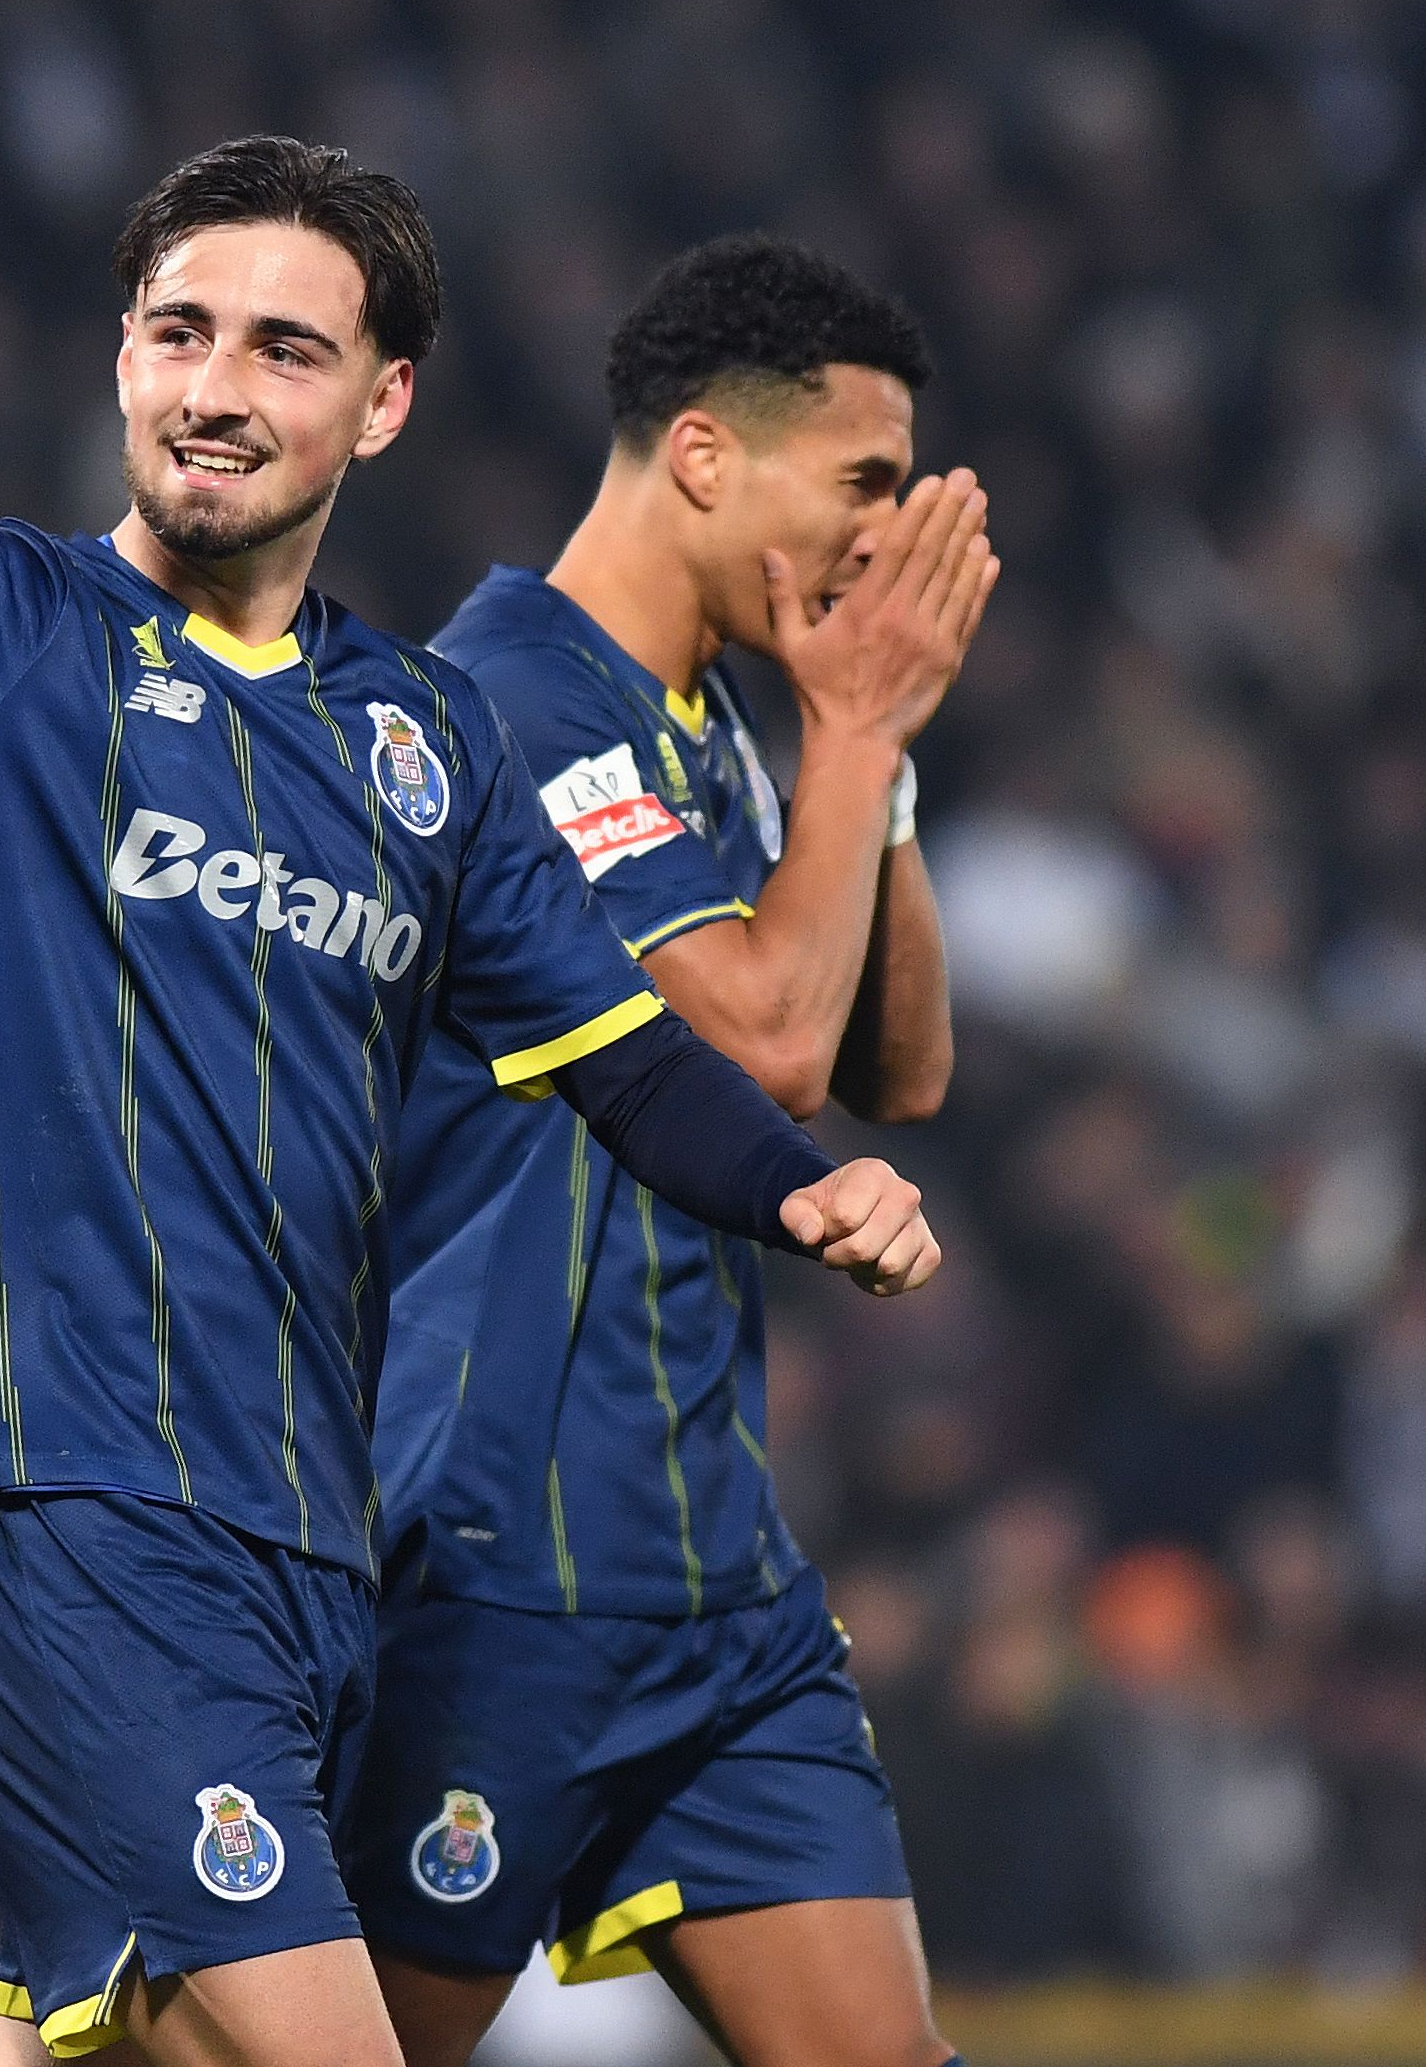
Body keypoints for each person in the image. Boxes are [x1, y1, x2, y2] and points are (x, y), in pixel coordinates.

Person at [0, 0, 948, 2067]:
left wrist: (806, 1196)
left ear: (385, 400)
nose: (214, 387)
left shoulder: (418, 748)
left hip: (300, 1549)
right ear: (120, 362)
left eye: (281, 345)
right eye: (176, 332)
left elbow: (621, 1060)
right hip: (52, 1496)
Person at [347, 236, 994, 2067]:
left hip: (717, 1583)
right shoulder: (508, 708)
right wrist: (856, 730)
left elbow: (905, 1066)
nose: (884, 536)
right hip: (493, 1560)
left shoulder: (706, 726)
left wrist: (878, 766)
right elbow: (775, 1047)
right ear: (705, 457)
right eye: (860, 484)